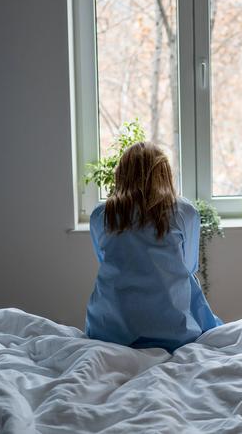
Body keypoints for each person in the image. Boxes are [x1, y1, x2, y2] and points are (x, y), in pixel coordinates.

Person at [85, 141, 222, 352]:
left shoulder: (101, 215)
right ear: (164, 174)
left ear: (121, 174)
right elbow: (189, 266)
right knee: (186, 281)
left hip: (109, 332)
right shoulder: (183, 211)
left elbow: (105, 260)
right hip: (173, 331)